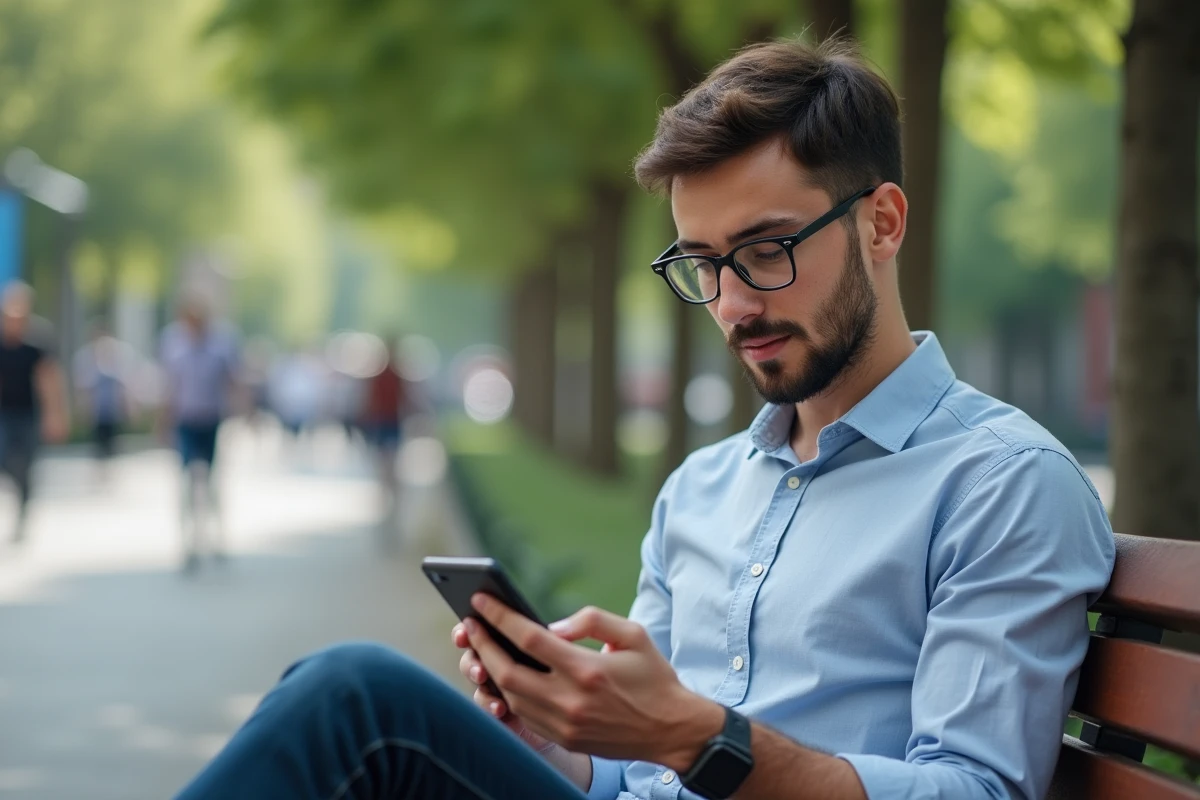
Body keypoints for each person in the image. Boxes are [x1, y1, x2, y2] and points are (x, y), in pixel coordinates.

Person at [175, 37, 1115, 800]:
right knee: (334, 697)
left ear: (882, 223)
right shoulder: (701, 489)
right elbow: (626, 773)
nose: (734, 303)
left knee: (356, 701)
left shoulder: (1002, 484)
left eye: (766, 250)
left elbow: (976, 792)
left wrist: (701, 736)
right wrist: (562, 729)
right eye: (703, 264)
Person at [160, 291, 240, 573]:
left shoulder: (222, 344)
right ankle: (188, 543)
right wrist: (163, 421)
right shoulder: (173, 343)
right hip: (185, 420)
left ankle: (217, 539)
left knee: (212, 482)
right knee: (185, 483)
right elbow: (169, 385)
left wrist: (243, 412)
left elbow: (233, 380)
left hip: (211, 419)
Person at [0, 281, 69, 542]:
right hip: (4, 413)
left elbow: (50, 380)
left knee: (27, 465)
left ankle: (22, 510)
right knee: (4, 459)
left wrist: (56, 416)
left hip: (29, 413)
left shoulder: (37, 343)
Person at [73, 321, 136, 476]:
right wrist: (83, 407)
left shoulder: (119, 356)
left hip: (112, 409)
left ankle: (110, 470)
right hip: (97, 410)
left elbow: (125, 384)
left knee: (112, 440)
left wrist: (129, 406)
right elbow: (83, 386)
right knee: (98, 441)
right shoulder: (85, 358)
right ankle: (100, 470)